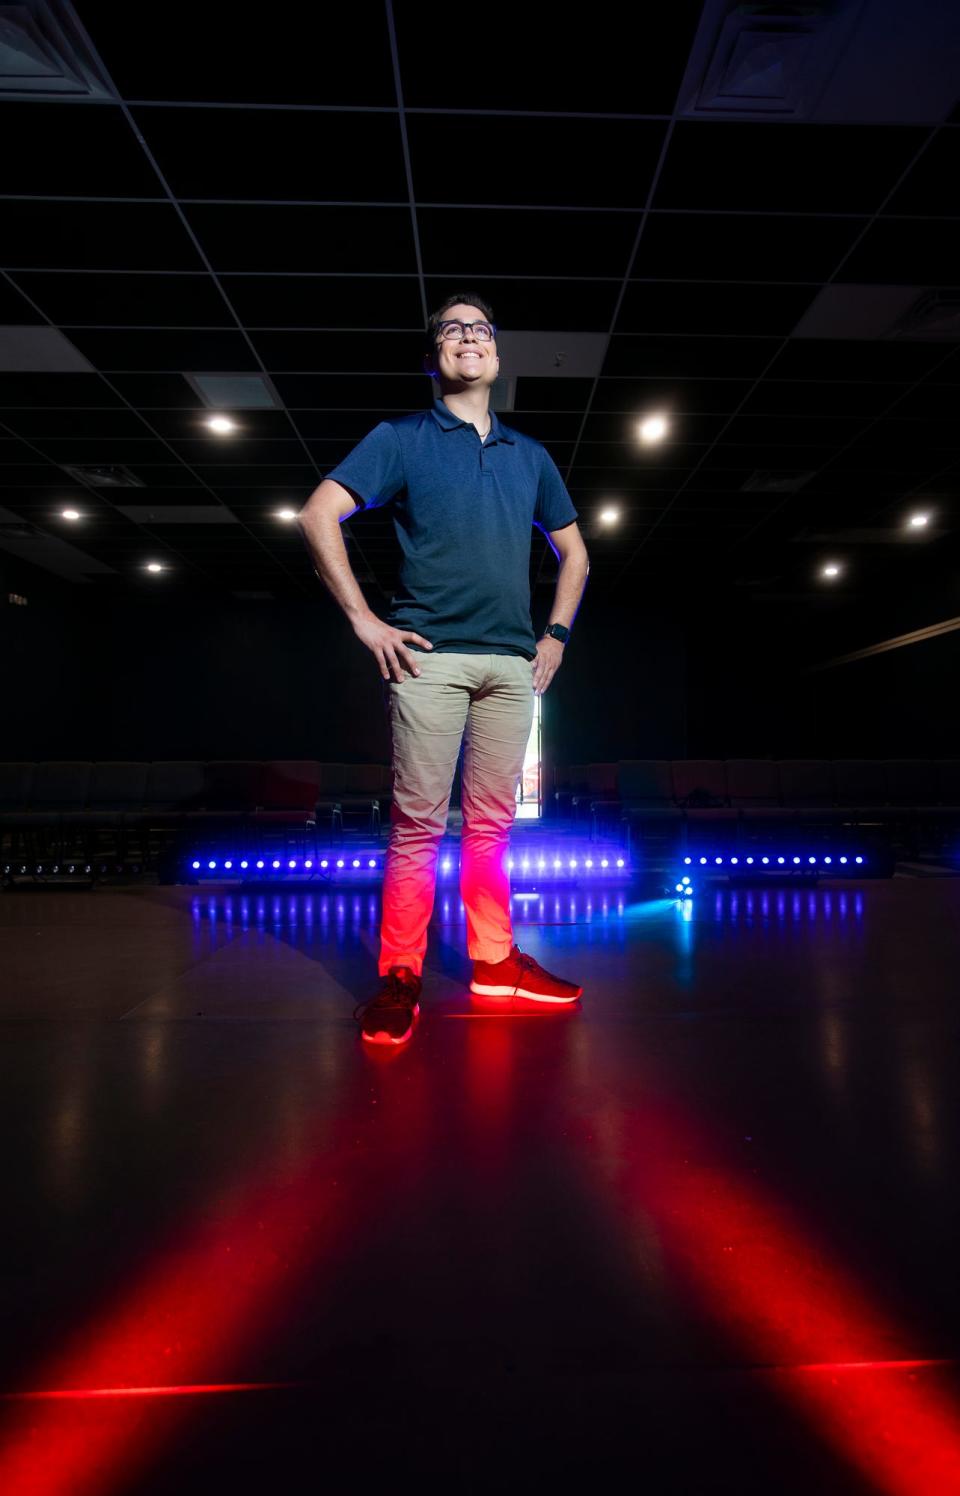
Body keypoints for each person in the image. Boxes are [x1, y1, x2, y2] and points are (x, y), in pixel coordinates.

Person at [297, 293, 590, 1045]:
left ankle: (494, 961)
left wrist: (555, 633)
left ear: (495, 353)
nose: (469, 337)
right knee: (418, 829)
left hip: (510, 667)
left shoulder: (530, 455)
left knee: (492, 830)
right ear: (435, 360)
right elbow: (317, 512)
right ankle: (401, 976)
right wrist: (364, 620)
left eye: (482, 329)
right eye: (452, 330)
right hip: (429, 662)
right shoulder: (403, 437)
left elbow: (576, 553)